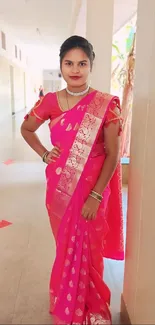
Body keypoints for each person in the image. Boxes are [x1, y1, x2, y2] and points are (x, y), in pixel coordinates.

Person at [21, 35, 124, 325]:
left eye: (82, 63)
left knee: (90, 247)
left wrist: (96, 195)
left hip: (92, 188)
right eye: (69, 63)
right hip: (60, 189)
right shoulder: (50, 101)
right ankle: (67, 297)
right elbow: (27, 128)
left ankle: (92, 305)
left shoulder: (106, 104)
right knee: (66, 246)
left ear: (91, 66)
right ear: (61, 66)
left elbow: (113, 155)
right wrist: (44, 153)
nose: (75, 69)